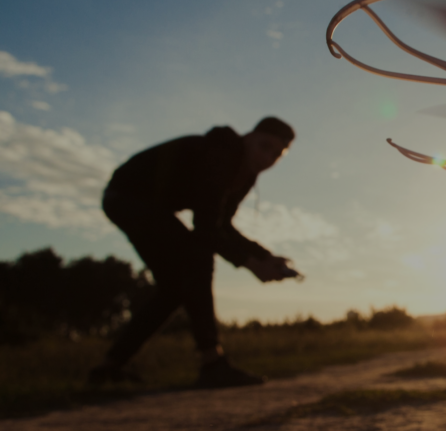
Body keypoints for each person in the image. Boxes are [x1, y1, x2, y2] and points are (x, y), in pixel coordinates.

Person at [89, 117, 298, 388]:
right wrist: (251, 264)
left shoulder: (244, 173)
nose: (267, 157)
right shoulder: (221, 154)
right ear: (249, 136)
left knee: (174, 289)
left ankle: (109, 367)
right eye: (264, 146)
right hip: (128, 198)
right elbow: (206, 230)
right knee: (198, 257)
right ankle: (212, 362)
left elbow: (222, 225)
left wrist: (264, 256)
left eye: (277, 154)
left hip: (148, 207)